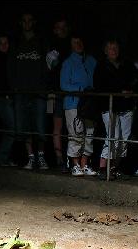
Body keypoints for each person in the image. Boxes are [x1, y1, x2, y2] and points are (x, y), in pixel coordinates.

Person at [8, 12, 49, 170]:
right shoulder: (16, 42)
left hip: (38, 91)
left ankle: (41, 156)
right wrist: (14, 87)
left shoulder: (41, 41)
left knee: (40, 127)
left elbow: (47, 65)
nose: (27, 23)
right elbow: (10, 67)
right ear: (20, 23)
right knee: (24, 127)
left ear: (34, 22)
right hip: (21, 92)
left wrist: (44, 86)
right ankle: (30, 158)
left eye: (29, 20)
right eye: (24, 21)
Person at [94, 39, 138, 180]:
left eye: (116, 47)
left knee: (125, 139)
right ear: (105, 50)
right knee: (112, 137)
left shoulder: (127, 64)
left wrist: (130, 90)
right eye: (110, 47)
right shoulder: (101, 66)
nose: (113, 50)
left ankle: (115, 167)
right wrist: (120, 90)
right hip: (109, 105)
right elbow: (100, 85)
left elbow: (135, 79)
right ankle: (103, 168)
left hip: (126, 106)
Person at [60, 33, 97, 177]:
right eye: (75, 42)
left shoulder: (91, 61)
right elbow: (64, 84)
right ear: (71, 45)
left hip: (89, 104)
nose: (78, 44)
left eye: (80, 41)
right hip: (73, 103)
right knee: (76, 134)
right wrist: (80, 89)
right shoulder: (68, 62)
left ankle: (84, 164)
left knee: (89, 134)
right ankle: (74, 164)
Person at [46, 18, 72, 172]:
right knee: (55, 125)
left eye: (63, 26)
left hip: (69, 92)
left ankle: (69, 158)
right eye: (58, 27)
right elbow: (48, 70)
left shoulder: (71, 46)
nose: (61, 29)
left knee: (70, 127)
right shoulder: (50, 45)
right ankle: (58, 159)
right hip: (53, 93)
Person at [0, 34, 17, 167]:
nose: (4, 45)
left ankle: (6, 157)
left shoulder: (12, 57)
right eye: (1, 42)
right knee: (11, 128)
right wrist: (4, 93)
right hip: (2, 97)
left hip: (13, 97)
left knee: (12, 128)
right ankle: (1, 158)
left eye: (6, 42)